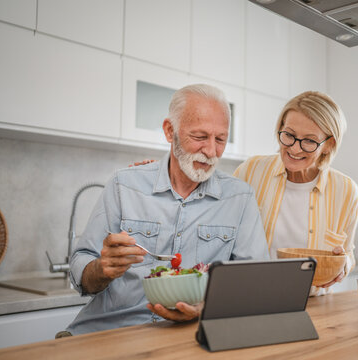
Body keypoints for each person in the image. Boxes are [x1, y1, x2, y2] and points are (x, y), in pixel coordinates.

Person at [65, 84, 269, 335]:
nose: (211, 151)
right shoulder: (124, 185)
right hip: (110, 331)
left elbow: (254, 285)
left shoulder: (240, 198)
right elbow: (80, 266)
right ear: (170, 131)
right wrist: (101, 269)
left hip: (188, 337)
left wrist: (206, 308)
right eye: (200, 137)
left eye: (220, 139)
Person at [233, 91, 358, 296]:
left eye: (309, 141)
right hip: (251, 297)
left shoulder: (346, 191)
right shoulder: (250, 171)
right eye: (289, 135)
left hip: (312, 304)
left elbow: (349, 254)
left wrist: (343, 264)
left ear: (329, 144)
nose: (294, 148)